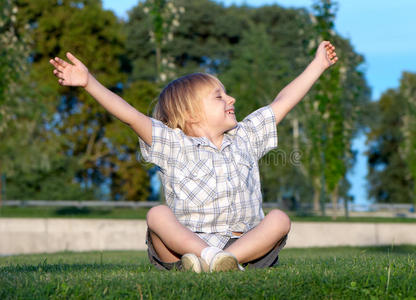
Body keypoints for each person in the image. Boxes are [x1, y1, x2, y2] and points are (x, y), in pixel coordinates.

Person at [49, 41, 338, 272]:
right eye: (219, 96)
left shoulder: (245, 137)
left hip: (244, 244)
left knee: (279, 219)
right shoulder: (172, 144)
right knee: (156, 215)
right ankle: (210, 258)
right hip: (184, 248)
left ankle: (225, 261)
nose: (231, 99)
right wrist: (89, 83)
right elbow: (131, 116)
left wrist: (318, 65)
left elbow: (282, 101)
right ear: (190, 114)